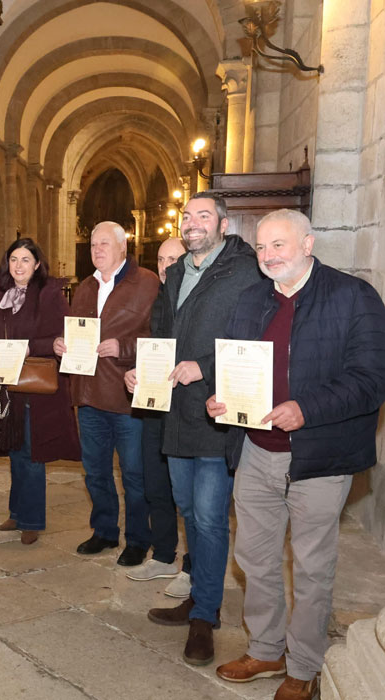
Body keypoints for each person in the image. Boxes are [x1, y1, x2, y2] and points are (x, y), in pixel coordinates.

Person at [207, 210, 385, 700]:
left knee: (311, 566)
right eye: (261, 248)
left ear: (307, 243)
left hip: (320, 458)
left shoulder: (353, 297)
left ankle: (304, 665)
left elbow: (371, 381)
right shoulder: (250, 299)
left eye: (279, 246)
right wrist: (221, 397)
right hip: (257, 451)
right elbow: (237, 365)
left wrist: (305, 408)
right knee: (255, 558)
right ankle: (266, 648)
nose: (268, 257)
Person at [126, 192, 263, 666]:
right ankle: (198, 595)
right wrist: (144, 370)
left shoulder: (243, 272)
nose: (192, 223)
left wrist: (202, 367)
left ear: (223, 225)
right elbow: (161, 333)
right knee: (186, 508)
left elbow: (253, 337)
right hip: (173, 412)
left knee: (208, 515)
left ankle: (205, 614)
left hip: (213, 410)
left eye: (203, 216)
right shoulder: (178, 272)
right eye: (187, 216)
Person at [54, 222, 158, 565]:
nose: (97, 250)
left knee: (134, 474)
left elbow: (162, 338)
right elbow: (77, 332)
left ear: (122, 249)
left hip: (126, 397)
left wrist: (123, 346)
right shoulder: (84, 287)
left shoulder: (146, 284)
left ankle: (139, 539)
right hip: (88, 395)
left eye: (105, 244)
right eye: (93, 245)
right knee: (95, 470)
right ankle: (104, 531)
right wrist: (62, 344)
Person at [0, 238, 80, 544]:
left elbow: (62, 338)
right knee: (16, 450)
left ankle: (32, 520)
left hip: (36, 385)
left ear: (36, 264)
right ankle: (17, 513)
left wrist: (24, 348)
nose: (18, 266)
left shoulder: (49, 294)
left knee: (33, 453)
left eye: (24, 260)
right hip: (6, 386)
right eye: (13, 260)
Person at [129, 237, 192, 594]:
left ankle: (193, 567)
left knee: (190, 496)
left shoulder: (196, 296)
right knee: (155, 482)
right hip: (154, 403)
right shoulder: (159, 297)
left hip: (187, 406)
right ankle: (164, 554)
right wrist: (134, 372)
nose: (166, 266)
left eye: (174, 258)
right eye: (161, 259)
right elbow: (153, 346)